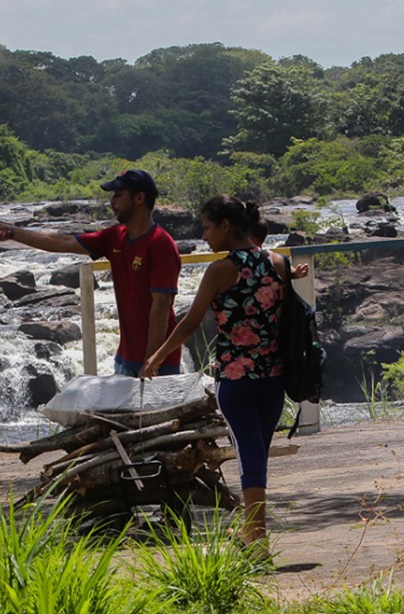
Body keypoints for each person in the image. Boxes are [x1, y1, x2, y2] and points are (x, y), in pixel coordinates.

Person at [140, 194, 288, 551]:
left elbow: (191, 322)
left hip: (236, 380)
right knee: (257, 454)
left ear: (225, 226)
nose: (204, 236)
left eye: (207, 228)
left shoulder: (221, 269)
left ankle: (257, 537)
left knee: (250, 456)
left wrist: (156, 356)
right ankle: (250, 532)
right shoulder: (280, 262)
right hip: (273, 377)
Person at [0, 169, 182, 377]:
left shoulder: (160, 244)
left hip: (160, 364)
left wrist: (151, 361)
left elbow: (161, 306)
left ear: (139, 198)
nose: (112, 202)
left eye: (118, 195)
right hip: (125, 359)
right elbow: (62, 242)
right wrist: (12, 232)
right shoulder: (115, 237)